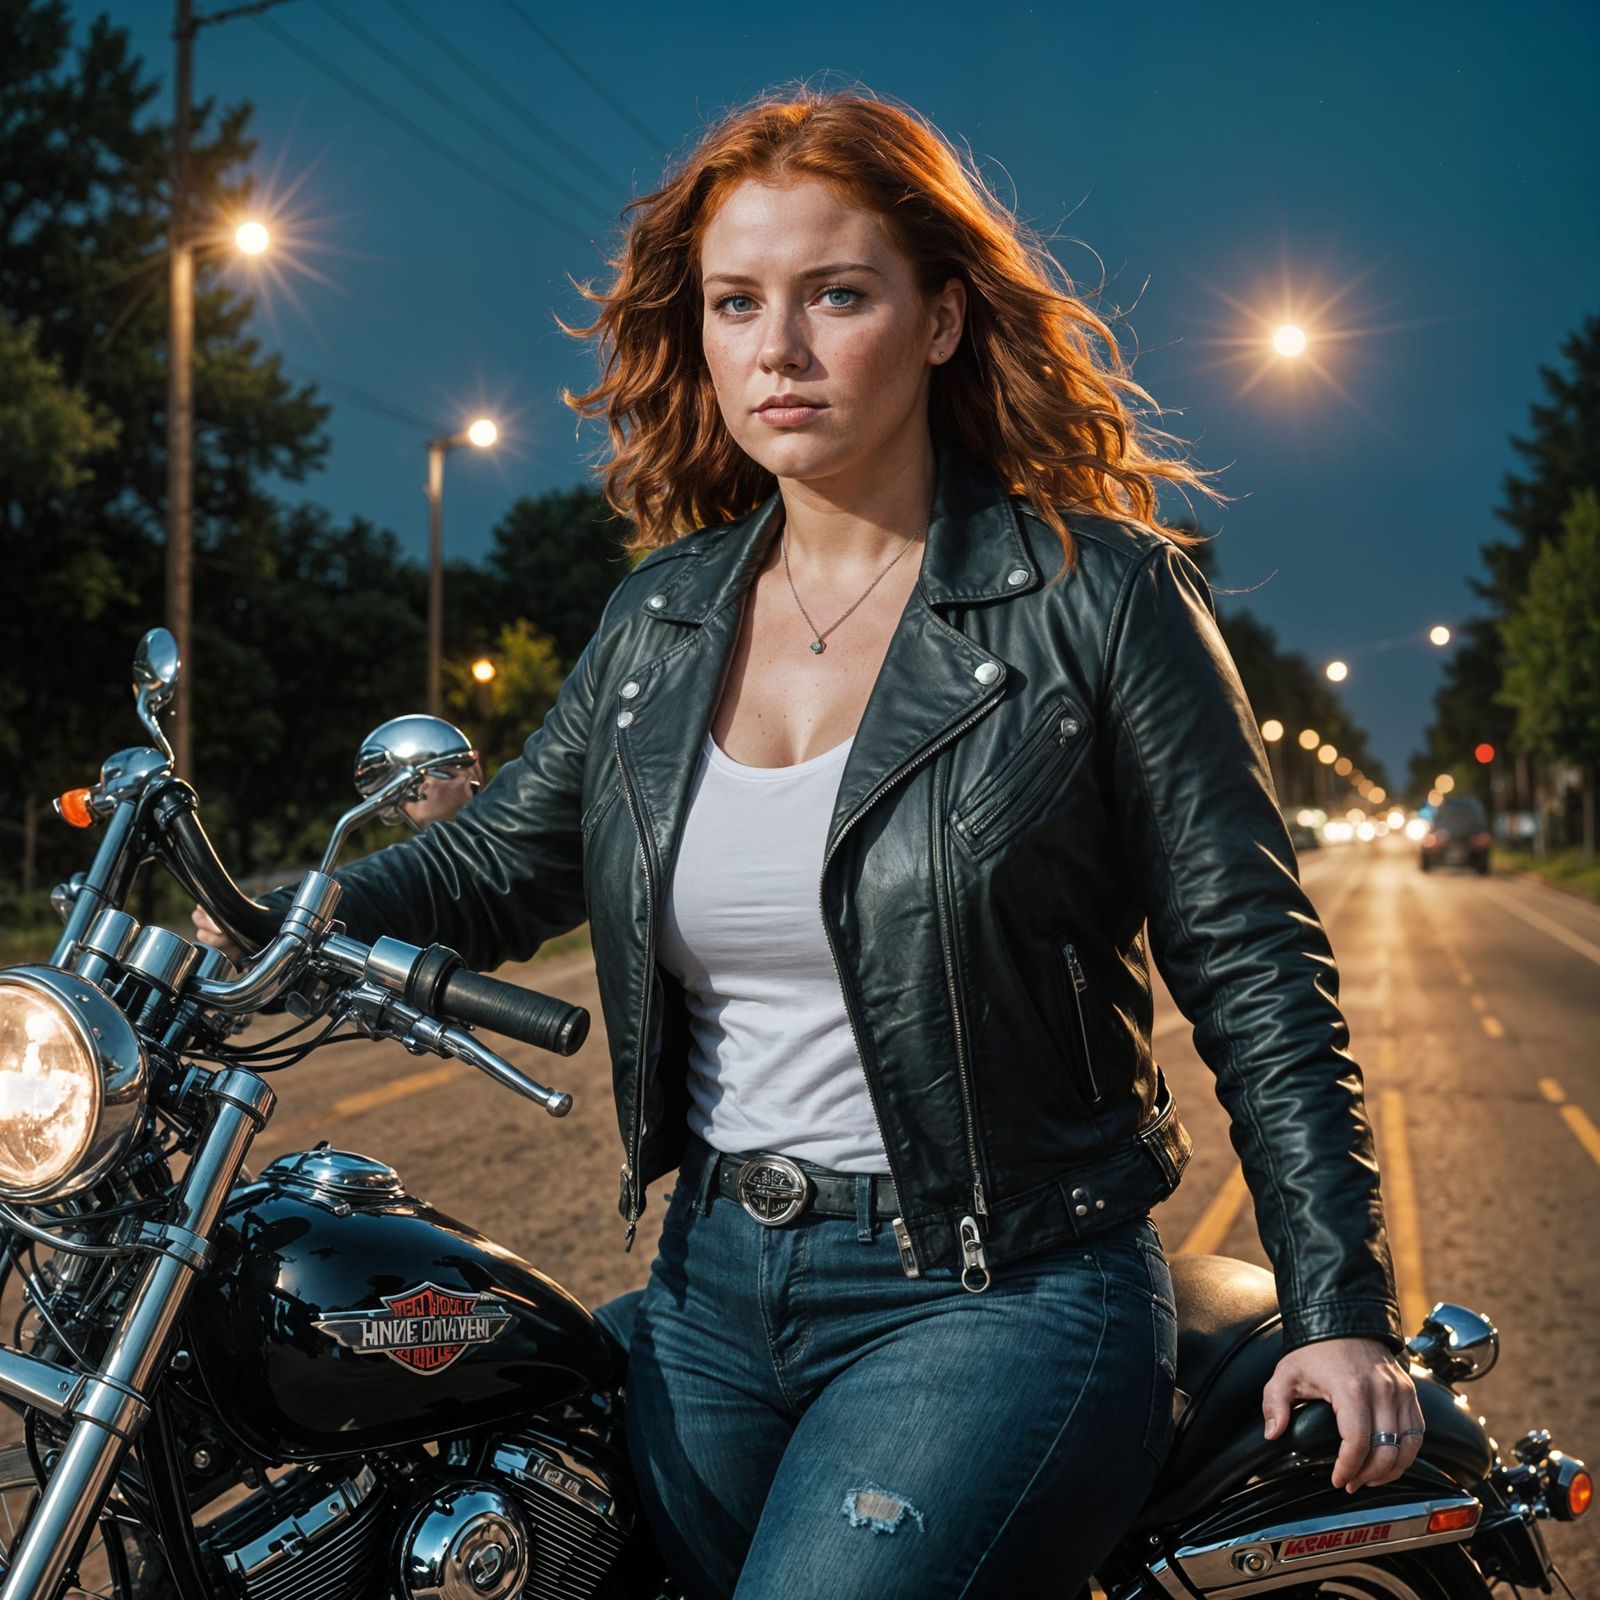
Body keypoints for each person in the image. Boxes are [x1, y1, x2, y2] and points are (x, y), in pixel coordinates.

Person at [195, 86, 1423, 1599]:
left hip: (997, 1298)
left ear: (941, 321)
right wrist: (236, 925)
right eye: (735, 302)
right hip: (711, 1288)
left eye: (835, 293)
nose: (777, 347)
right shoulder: (664, 618)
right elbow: (492, 863)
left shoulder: (1097, 598)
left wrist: (1342, 1300)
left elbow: (1253, 968)